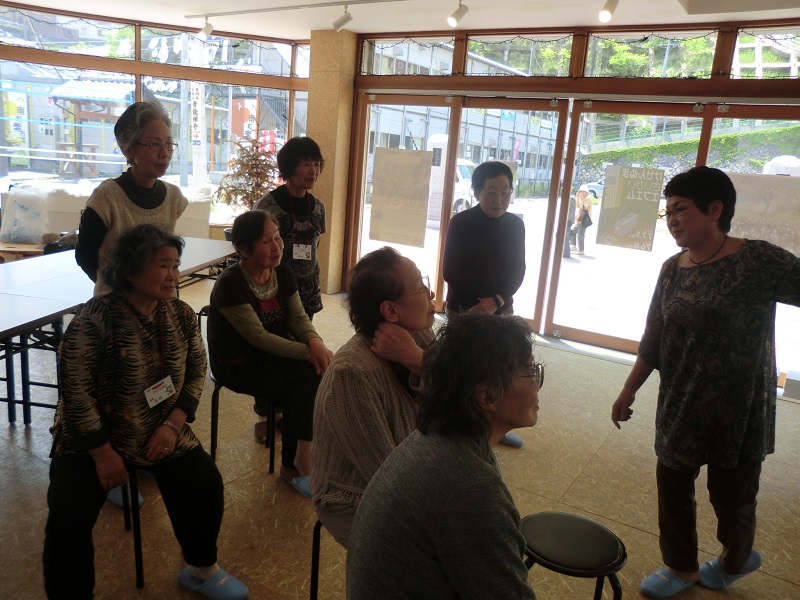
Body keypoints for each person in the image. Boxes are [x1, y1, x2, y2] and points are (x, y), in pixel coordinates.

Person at [611, 166, 800, 599]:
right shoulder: (671, 269)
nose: (672, 220)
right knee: (673, 486)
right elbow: (654, 338)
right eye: (668, 212)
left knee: (732, 497)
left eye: (681, 209)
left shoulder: (758, 261)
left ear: (715, 209)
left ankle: (736, 559)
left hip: (739, 411)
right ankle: (681, 567)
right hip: (680, 401)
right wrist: (628, 390)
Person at [43, 225, 248, 600]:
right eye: (162, 265)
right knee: (68, 515)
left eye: (176, 265)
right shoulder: (93, 319)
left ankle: (201, 568)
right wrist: (102, 453)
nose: (173, 275)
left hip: (158, 428)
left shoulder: (179, 314)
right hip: (92, 437)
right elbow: (75, 392)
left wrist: (173, 424)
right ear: (130, 269)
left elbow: (196, 370)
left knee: (204, 483)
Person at [346, 312, 541, 600]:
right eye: (531, 371)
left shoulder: (434, 437)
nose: (537, 382)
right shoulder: (471, 489)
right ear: (487, 396)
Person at [311, 247, 435, 548]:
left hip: (411, 472)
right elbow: (385, 476)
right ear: (390, 311)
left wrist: (419, 361)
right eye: (421, 286)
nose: (431, 293)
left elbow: (463, 400)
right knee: (439, 554)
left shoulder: (419, 336)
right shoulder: (352, 372)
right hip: (353, 496)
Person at [207, 209, 333, 498]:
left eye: (277, 237)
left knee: (311, 374)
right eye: (266, 241)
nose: (277, 246)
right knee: (304, 383)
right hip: (238, 363)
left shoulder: (282, 272)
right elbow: (258, 337)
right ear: (243, 249)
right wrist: (307, 352)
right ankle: (297, 464)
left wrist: (315, 343)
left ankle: (298, 461)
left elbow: (298, 318)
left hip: (272, 356)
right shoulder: (230, 284)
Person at [442, 160, 527, 448]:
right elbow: (451, 270)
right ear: (478, 191)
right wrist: (479, 304)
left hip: (501, 309)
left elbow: (518, 270)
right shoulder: (461, 223)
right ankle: (458, 424)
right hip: (465, 309)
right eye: (492, 191)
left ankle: (495, 427)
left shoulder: (515, 225)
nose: (499, 198)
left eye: (505, 191)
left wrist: (497, 301)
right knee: (463, 368)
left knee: (500, 369)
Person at [76, 100, 187, 295]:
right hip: (115, 305)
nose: (164, 153)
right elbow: (85, 256)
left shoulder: (174, 198)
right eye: (154, 144)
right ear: (128, 148)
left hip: (160, 304)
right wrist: (116, 287)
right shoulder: (107, 198)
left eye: (168, 143)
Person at [254, 137, 326, 320]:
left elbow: (315, 246)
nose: (313, 171)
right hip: (276, 288)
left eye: (317, 164)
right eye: (306, 164)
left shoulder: (318, 207)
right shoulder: (267, 206)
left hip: (308, 287)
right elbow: (256, 250)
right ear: (289, 167)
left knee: (305, 333)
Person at [574, 186, 593, 256]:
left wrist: (581, 197)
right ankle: (573, 245)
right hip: (580, 217)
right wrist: (577, 197)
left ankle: (581, 250)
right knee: (574, 230)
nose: (580, 192)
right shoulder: (582, 197)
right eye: (580, 191)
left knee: (580, 234)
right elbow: (577, 206)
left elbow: (583, 207)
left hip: (585, 218)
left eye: (582, 191)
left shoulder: (588, 198)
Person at [564, 192, 577, 258]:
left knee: (565, 236)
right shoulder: (571, 197)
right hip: (568, 220)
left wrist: (565, 219)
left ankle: (566, 253)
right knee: (562, 235)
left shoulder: (571, 198)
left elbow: (571, 211)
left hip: (568, 220)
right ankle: (564, 252)